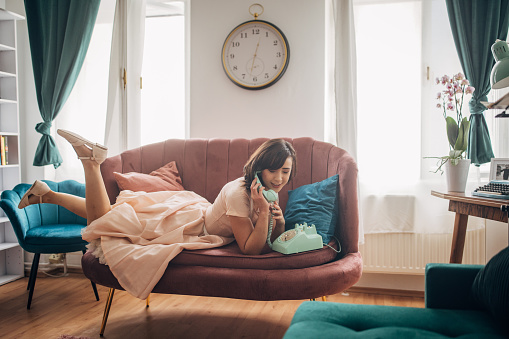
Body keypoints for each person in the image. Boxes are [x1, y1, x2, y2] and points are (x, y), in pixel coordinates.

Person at [18, 130, 297, 298]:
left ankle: (47, 193)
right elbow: (250, 249)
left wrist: (278, 220)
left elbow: (271, 239)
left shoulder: (264, 190)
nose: (279, 178)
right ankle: (91, 163)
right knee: (104, 222)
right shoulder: (241, 194)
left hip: (194, 209)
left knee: (108, 216)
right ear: (259, 167)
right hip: (188, 225)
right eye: (274, 170)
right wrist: (262, 213)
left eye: (286, 171)